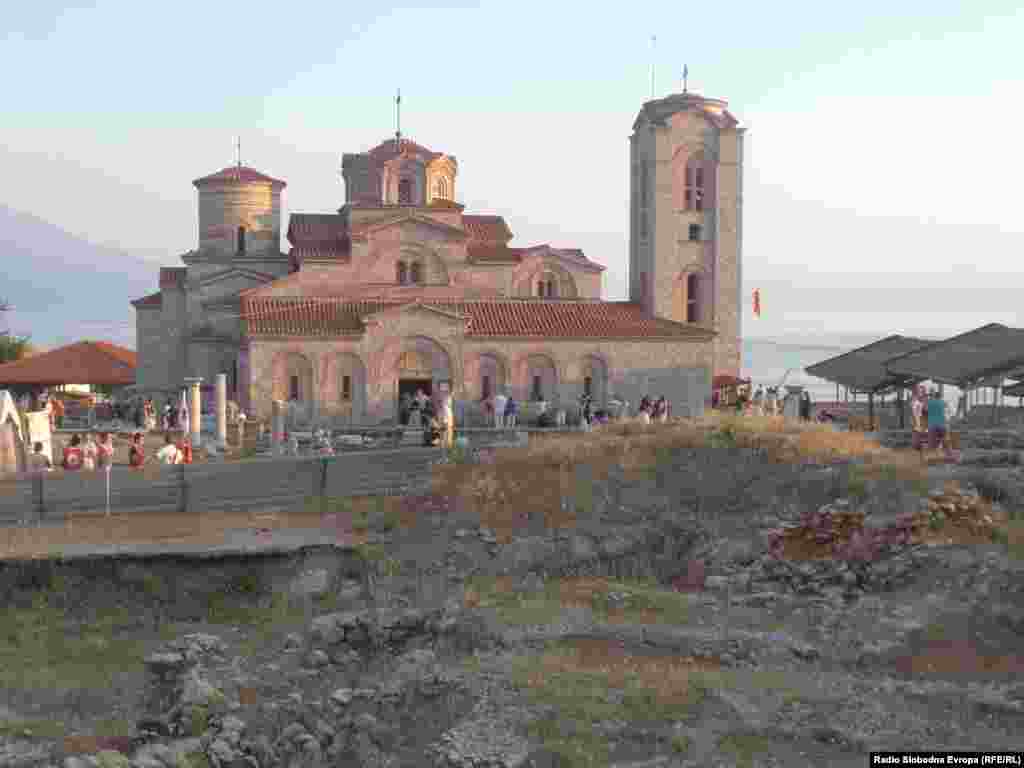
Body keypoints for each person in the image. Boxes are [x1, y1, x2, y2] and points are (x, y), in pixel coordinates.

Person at [927, 389, 948, 454]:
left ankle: (932, 453)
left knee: (932, 440)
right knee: (943, 439)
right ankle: (944, 452)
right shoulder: (942, 402)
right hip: (941, 424)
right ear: (940, 396)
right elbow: (946, 407)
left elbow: (925, 409)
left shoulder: (930, 402)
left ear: (934, 396)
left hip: (932, 425)